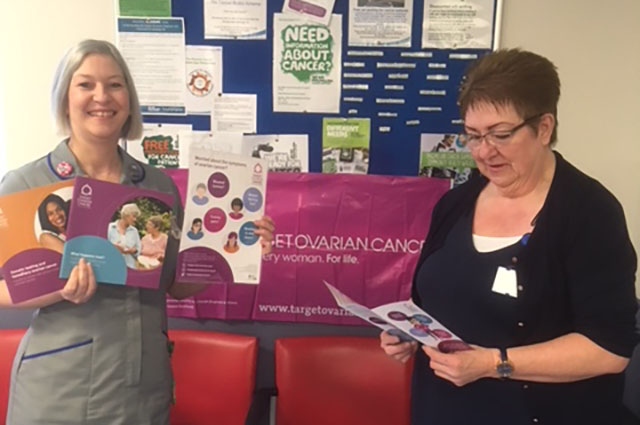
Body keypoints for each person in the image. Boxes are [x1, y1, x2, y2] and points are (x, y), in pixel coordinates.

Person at [0, 39, 275, 425]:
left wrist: (237, 251)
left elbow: (176, 283)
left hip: (142, 385)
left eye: (115, 85)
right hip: (59, 387)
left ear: (128, 99)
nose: (102, 97)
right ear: (64, 98)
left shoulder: (157, 187)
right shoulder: (27, 183)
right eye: (85, 85)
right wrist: (57, 287)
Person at [380, 48, 638, 425]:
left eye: (500, 134)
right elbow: (429, 301)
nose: (485, 152)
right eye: (472, 136)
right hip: (443, 408)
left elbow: (609, 349)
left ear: (544, 128)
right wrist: (406, 332)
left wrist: (493, 363)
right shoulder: (456, 203)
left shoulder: (588, 212)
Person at [107, 203, 142, 268]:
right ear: (126, 215)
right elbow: (102, 247)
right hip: (111, 266)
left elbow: (138, 250)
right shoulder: (110, 228)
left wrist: (134, 251)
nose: (135, 219)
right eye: (134, 216)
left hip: (129, 267)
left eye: (136, 217)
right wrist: (113, 248)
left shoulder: (134, 231)